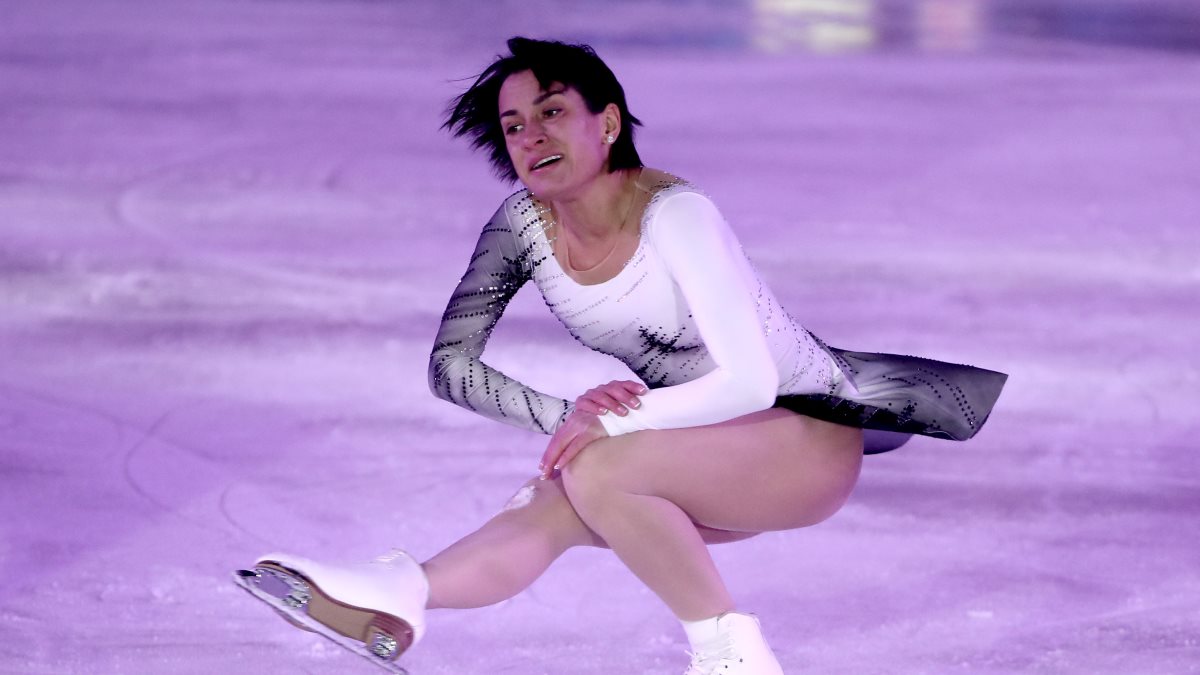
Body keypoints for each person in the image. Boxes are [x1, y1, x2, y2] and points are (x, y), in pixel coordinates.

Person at [233, 37, 1007, 674]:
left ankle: (732, 657)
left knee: (598, 467)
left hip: (802, 437)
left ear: (605, 123)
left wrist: (611, 424)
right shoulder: (522, 226)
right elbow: (451, 368)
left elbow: (751, 379)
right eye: (514, 126)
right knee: (560, 498)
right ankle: (404, 591)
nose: (531, 137)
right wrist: (571, 415)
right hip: (704, 442)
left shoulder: (677, 215)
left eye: (551, 112)